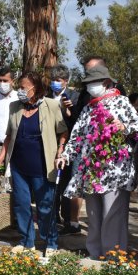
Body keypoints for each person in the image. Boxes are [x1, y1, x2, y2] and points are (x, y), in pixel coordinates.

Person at [57, 65, 138, 259]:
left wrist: (124, 127)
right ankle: (95, 253)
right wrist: (65, 155)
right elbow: (77, 135)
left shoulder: (121, 102)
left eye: (92, 83)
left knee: (113, 215)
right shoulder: (89, 107)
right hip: (91, 170)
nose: (89, 87)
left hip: (115, 170)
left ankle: (113, 255)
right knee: (94, 214)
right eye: (87, 84)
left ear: (105, 83)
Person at [0, 71, 68, 257]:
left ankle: (50, 242)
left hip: (42, 165)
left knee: (45, 205)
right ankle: (26, 242)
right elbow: (9, 135)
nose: (20, 90)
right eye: (19, 87)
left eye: (23, 87)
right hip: (19, 165)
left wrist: (60, 150)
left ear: (35, 88)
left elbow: (63, 131)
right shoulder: (15, 107)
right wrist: (2, 157)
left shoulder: (50, 105)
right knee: (21, 204)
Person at [46, 63, 83, 236]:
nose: (55, 83)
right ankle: (52, 217)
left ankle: (69, 220)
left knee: (68, 182)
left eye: (58, 80)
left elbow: (79, 121)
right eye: (53, 80)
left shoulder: (75, 97)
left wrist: (70, 109)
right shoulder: (45, 96)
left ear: (66, 82)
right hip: (49, 143)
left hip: (69, 145)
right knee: (51, 182)